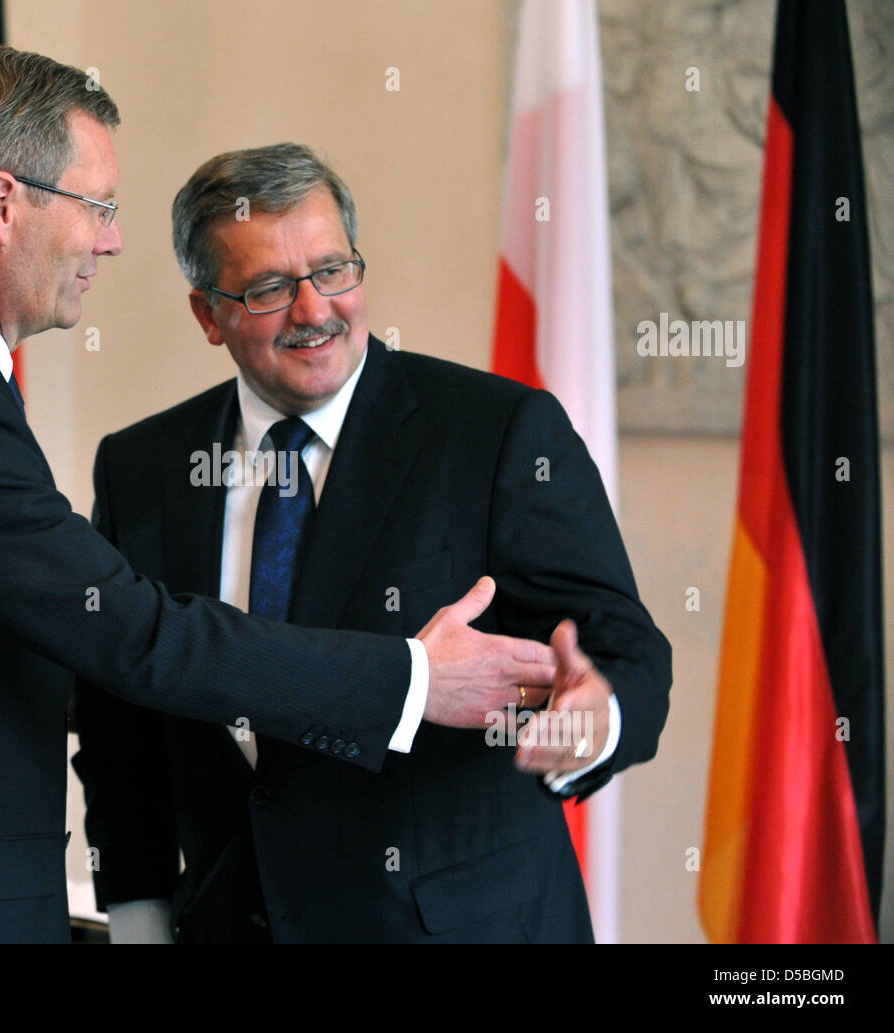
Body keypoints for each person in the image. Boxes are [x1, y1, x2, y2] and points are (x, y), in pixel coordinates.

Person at [0, 49, 571, 944]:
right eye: (98, 207)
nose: (111, 241)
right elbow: (133, 632)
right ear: (2, 205)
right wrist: (414, 679)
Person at [72, 143, 672, 943]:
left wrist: (597, 716)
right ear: (207, 314)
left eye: (332, 270)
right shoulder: (141, 466)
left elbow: (624, 644)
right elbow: (123, 725)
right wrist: (140, 919)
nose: (314, 310)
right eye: (269, 288)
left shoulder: (495, 431)